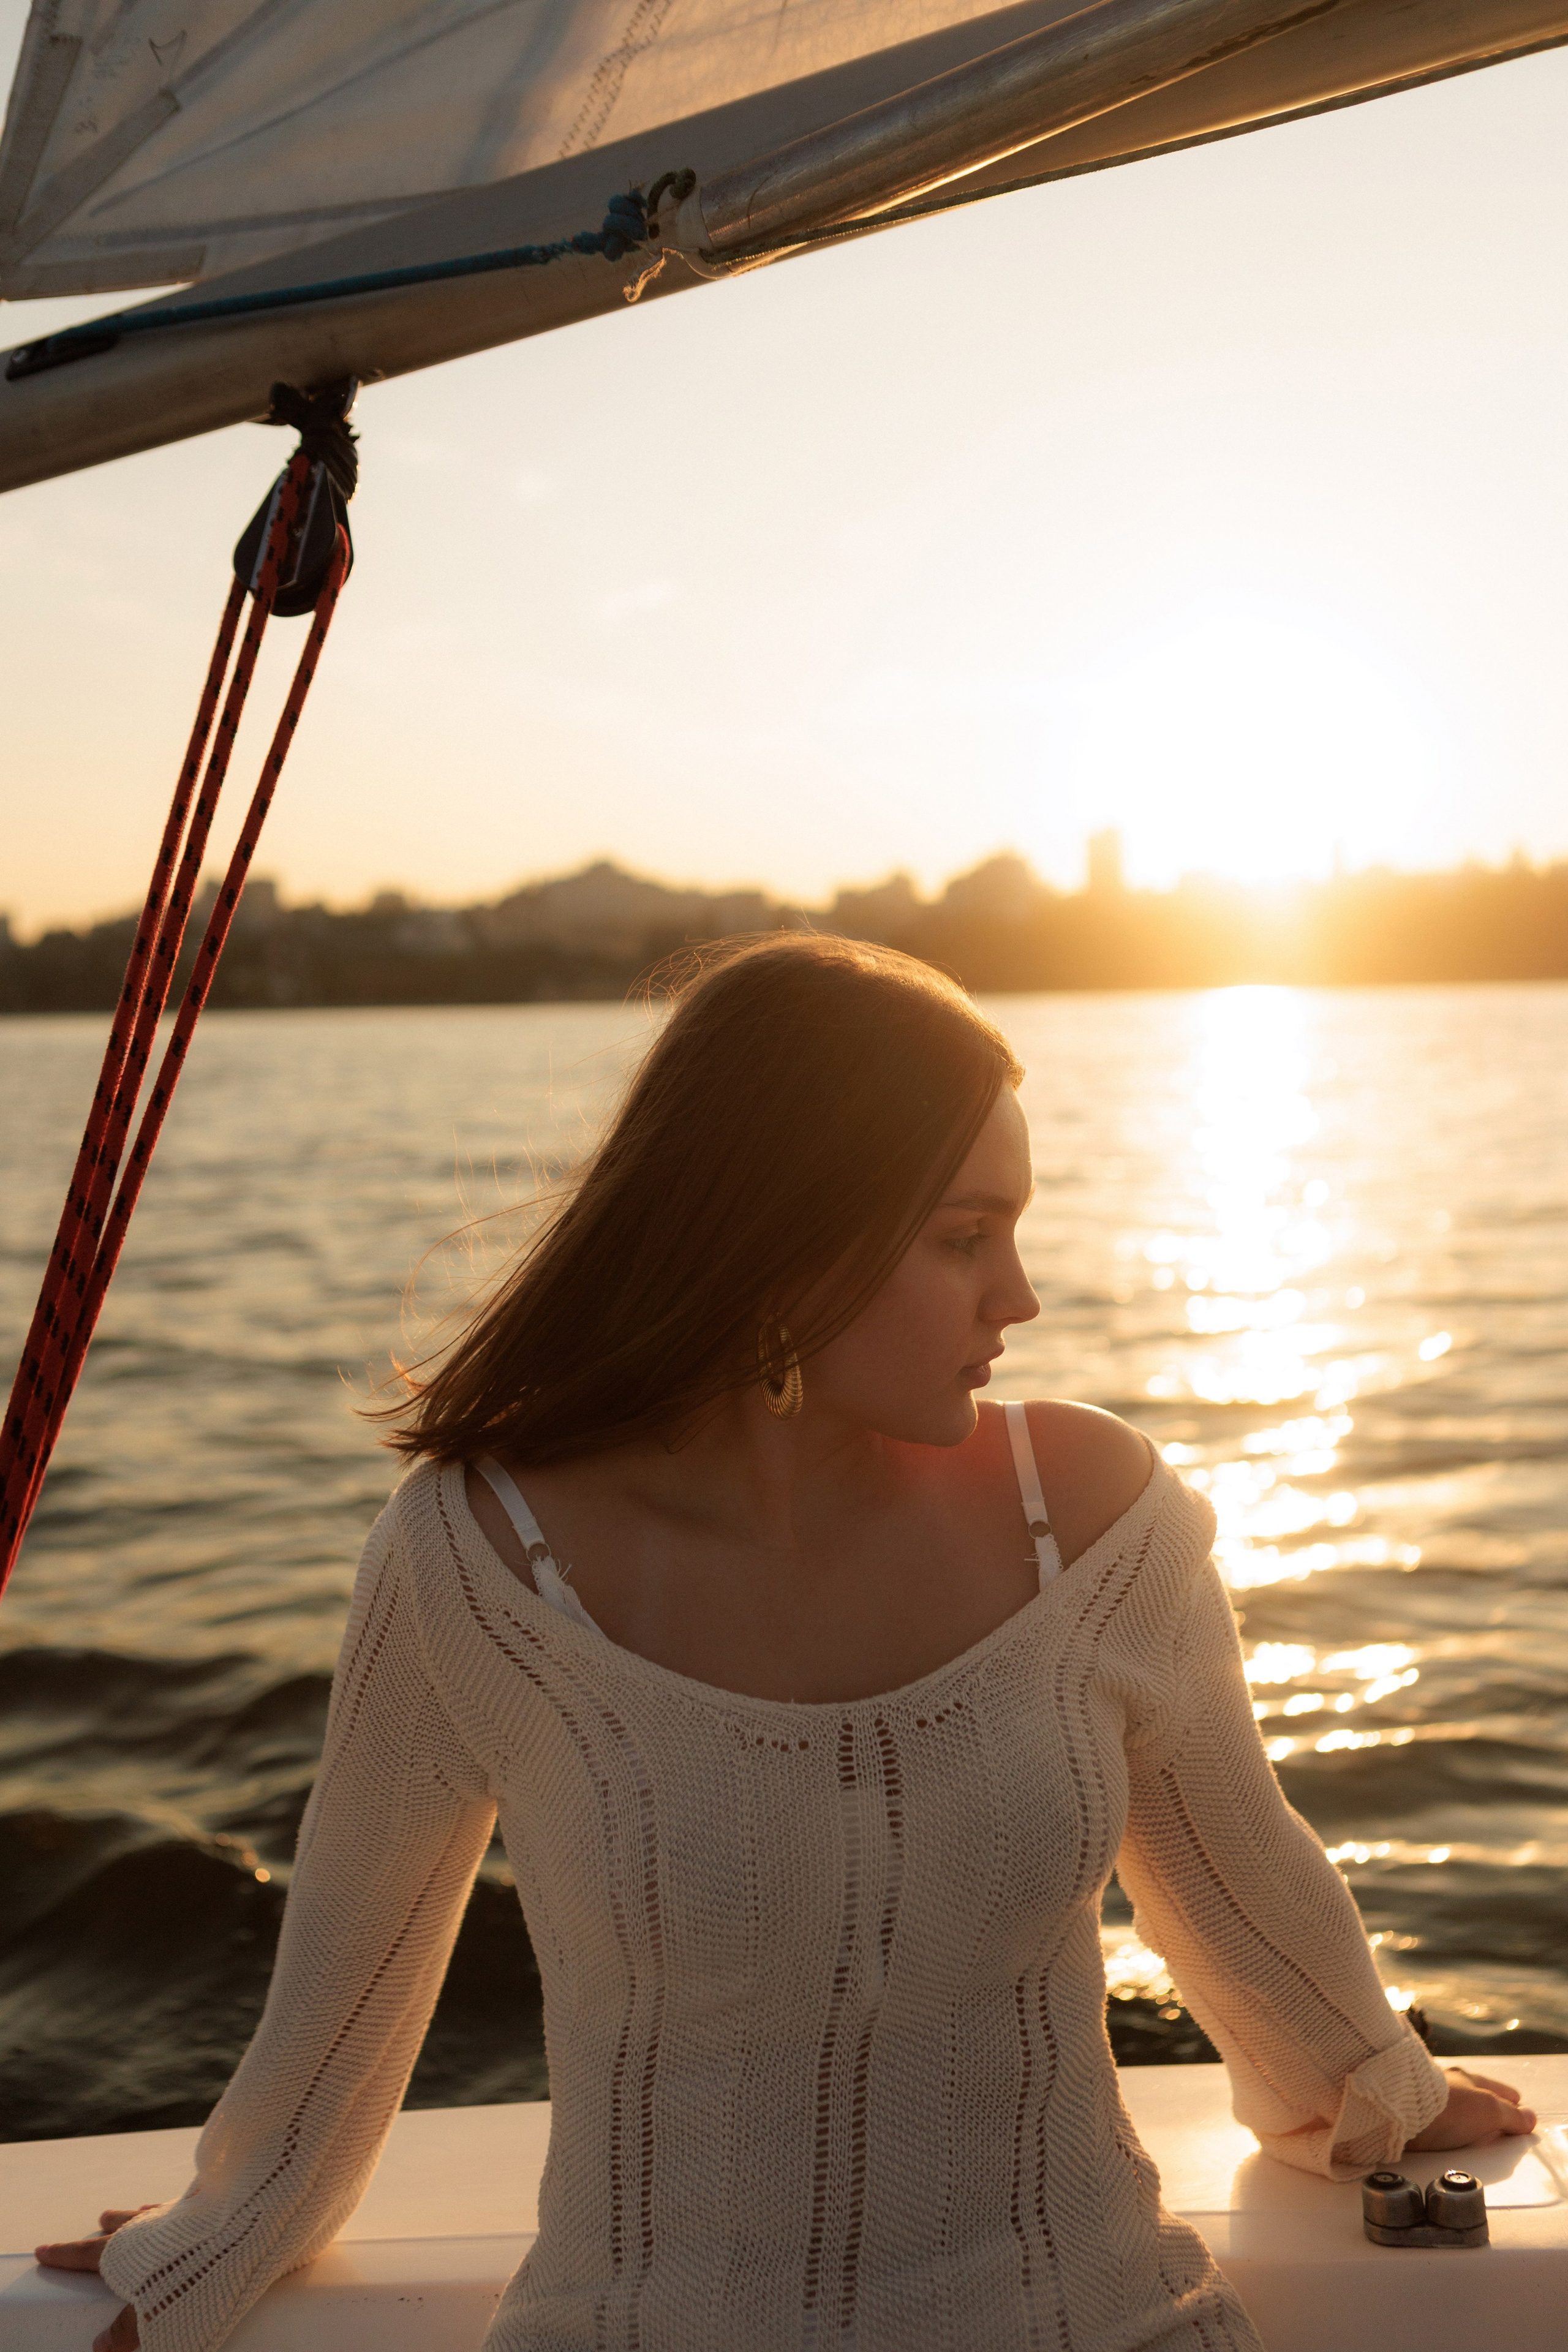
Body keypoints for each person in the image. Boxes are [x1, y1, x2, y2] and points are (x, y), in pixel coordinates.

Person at [39, 935, 1534, 2352]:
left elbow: (1238, 1874)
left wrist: (1376, 2090)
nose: (1015, 1297)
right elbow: (351, 1981)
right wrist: (220, 2234)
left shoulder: (1087, 1518)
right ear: (780, 1235)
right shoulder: (475, 1557)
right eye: (963, 1237)